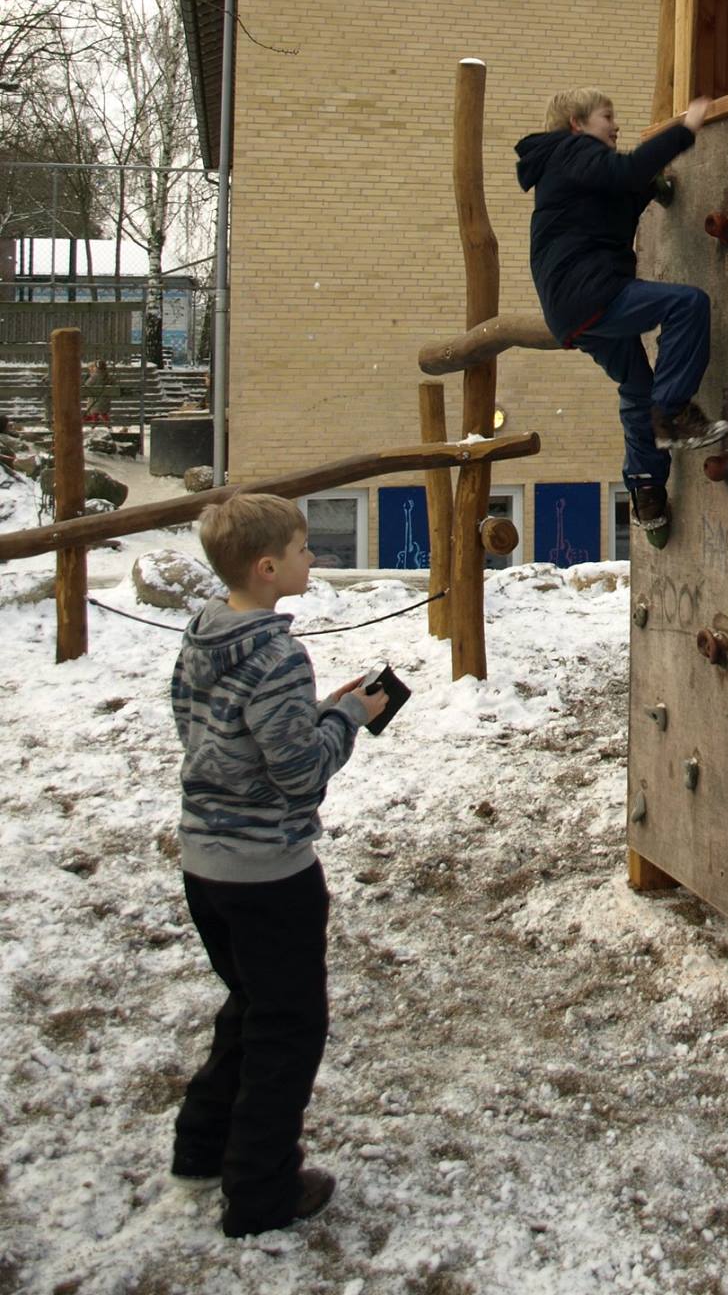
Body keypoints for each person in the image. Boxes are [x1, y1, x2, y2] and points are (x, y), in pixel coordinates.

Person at [169, 492, 387, 1238]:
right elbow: (299, 773)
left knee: (249, 1001)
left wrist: (315, 713)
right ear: (267, 569)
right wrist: (348, 716)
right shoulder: (278, 656)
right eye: (301, 550)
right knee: (287, 1027)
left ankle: (201, 1147)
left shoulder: (202, 637)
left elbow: (210, 736)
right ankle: (261, 1192)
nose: (312, 557)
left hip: (205, 863)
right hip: (268, 872)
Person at [515, 87, 728, 547]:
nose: (615, 126)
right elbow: (627, 171)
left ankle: (647, 491)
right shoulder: (572, 150)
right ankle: (672, 414)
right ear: (577, 124)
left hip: (572, 309)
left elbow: (619, 193)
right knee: (687, 304)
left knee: (636, 386)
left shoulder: (566, 167)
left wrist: (652, 187)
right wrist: (686, 129)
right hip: (591, 292)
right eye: (607, 117)